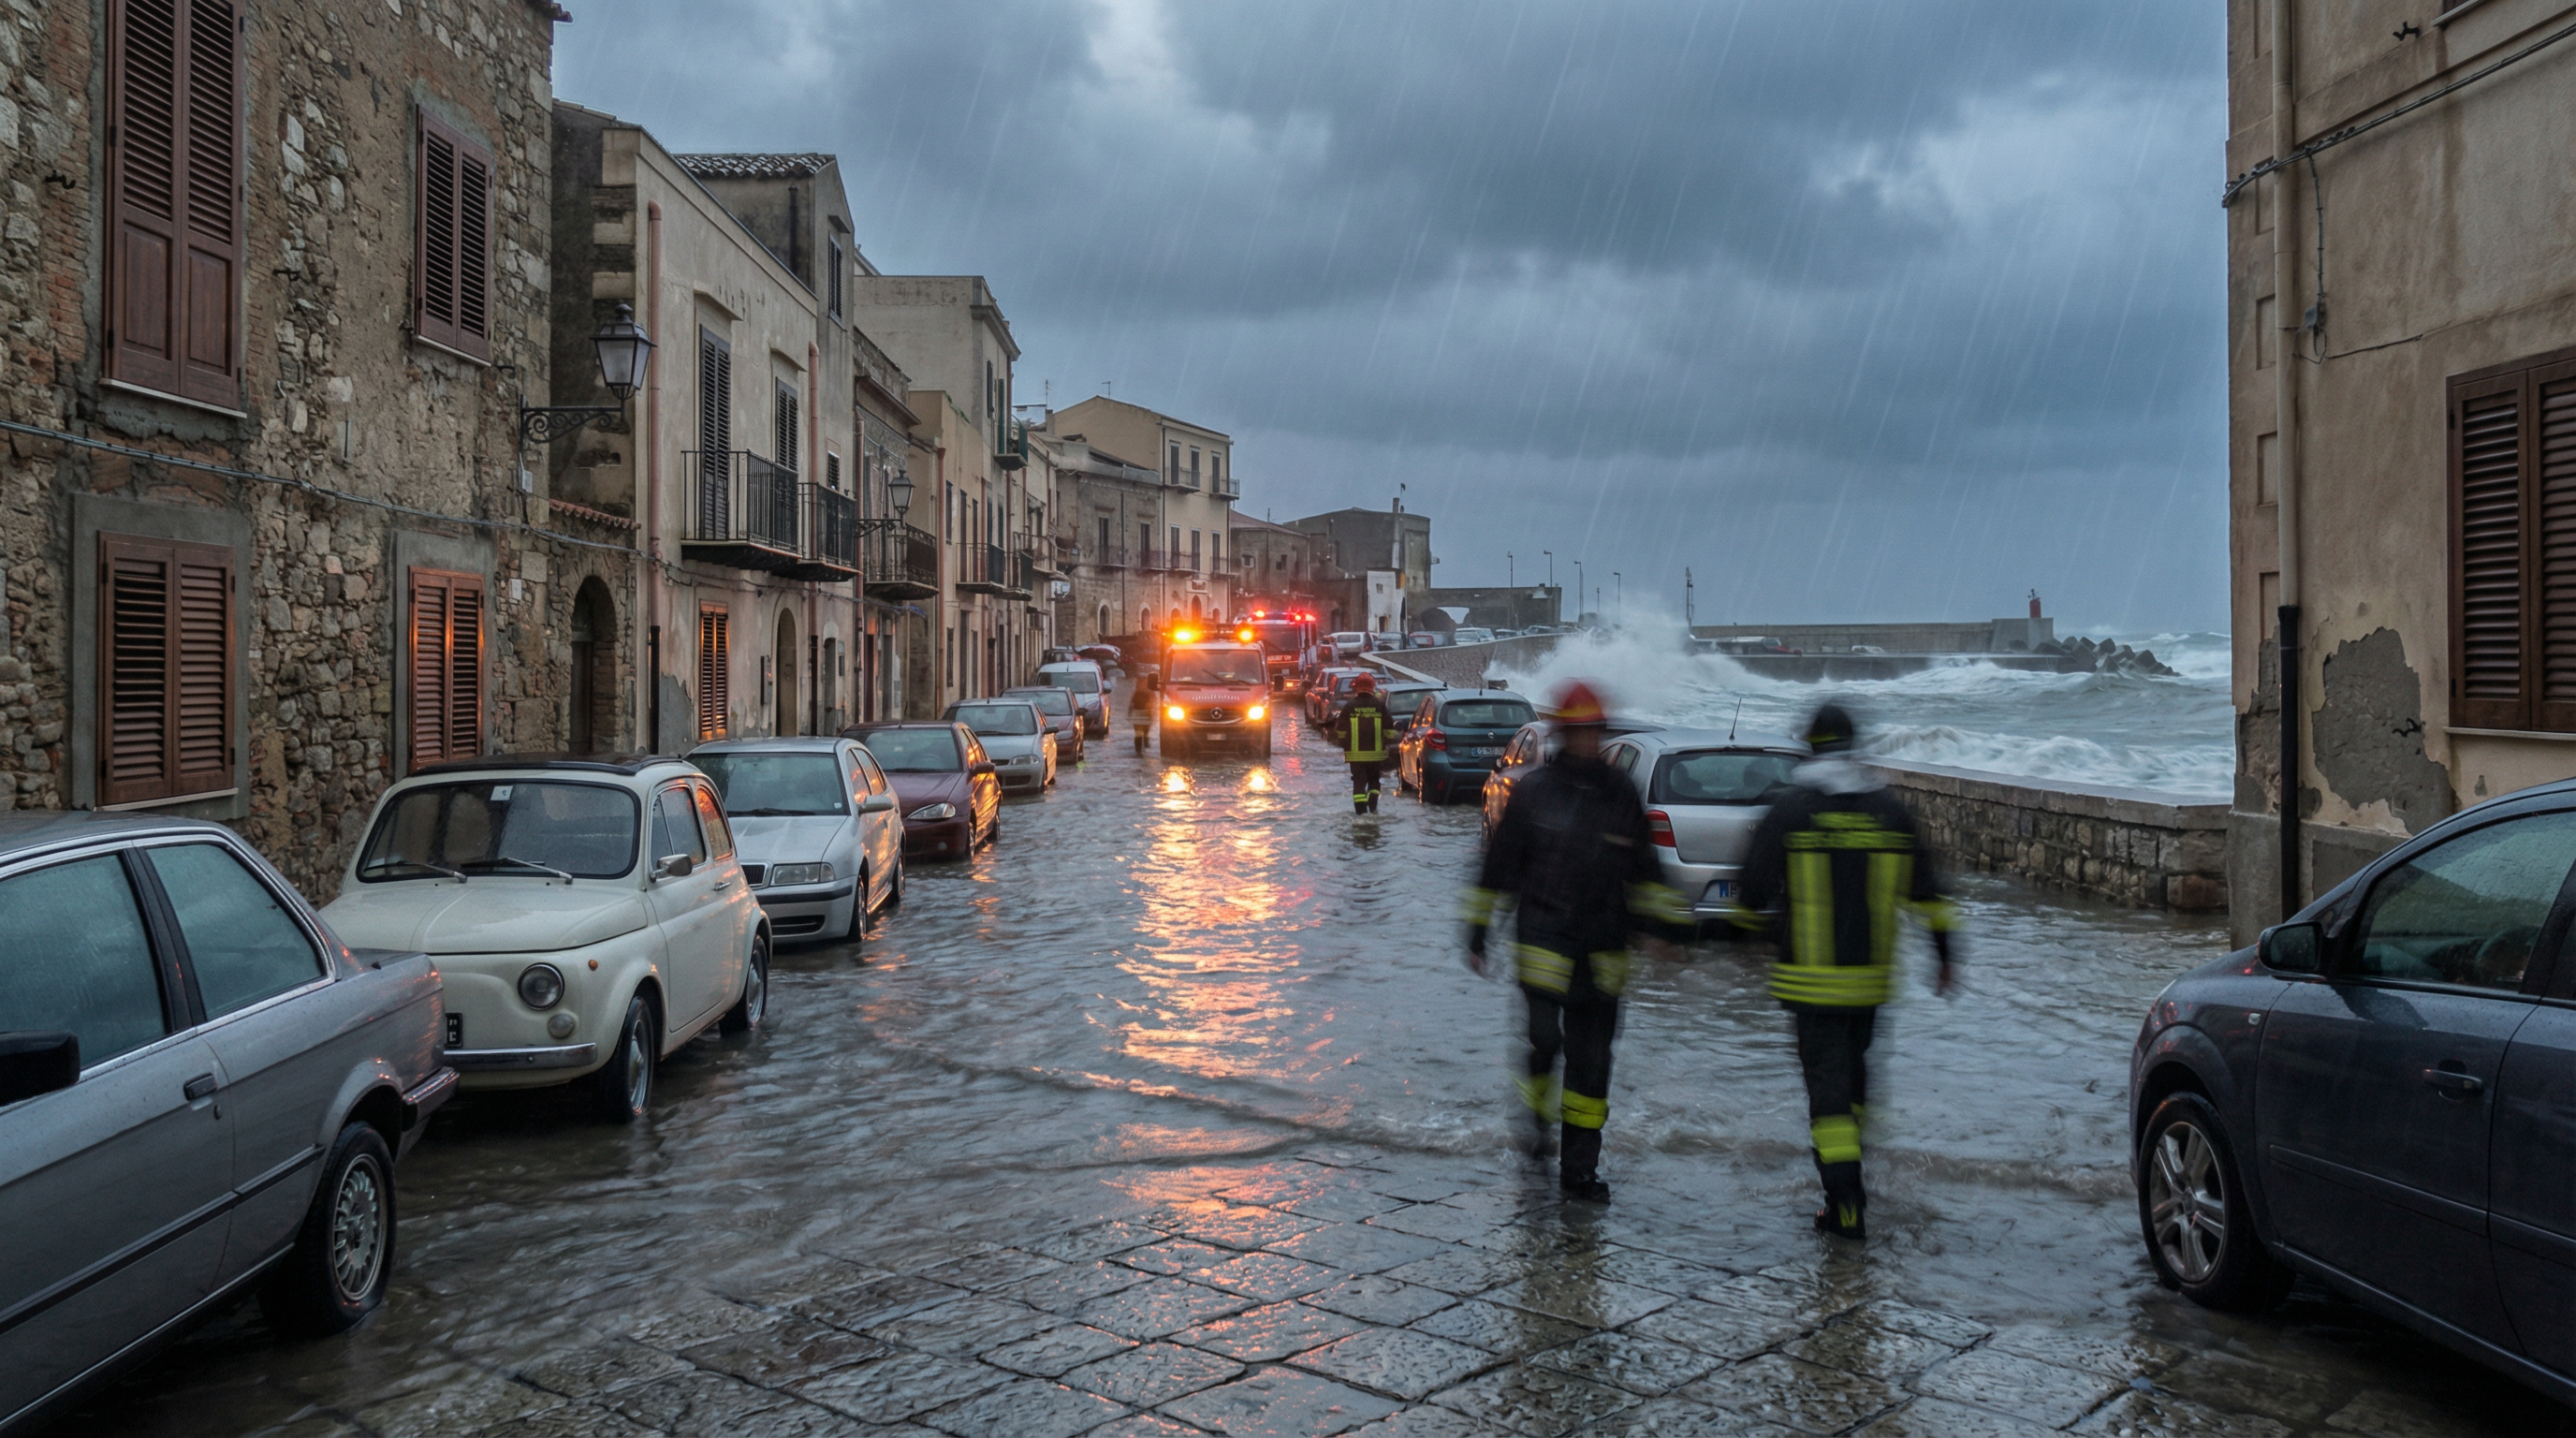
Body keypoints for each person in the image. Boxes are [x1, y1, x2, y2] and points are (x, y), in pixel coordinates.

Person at [1733, 702, 1958, 1241]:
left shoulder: (1789, 810)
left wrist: (1756, 938)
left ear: (1811, 746)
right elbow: (1930, 897)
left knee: (1828, 1102)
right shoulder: (1890, 811)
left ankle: (1846, 1206)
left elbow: (1750, 893)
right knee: (1855, 1088)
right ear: (1854, 745)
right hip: (1870, 988)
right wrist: (1945, 957)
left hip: (1810, 989)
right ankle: (1850, 1176)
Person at [1460, 680, 1687, 1202]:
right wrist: (1479, 932)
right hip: (1544, 945)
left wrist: (1669, 932)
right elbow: (1496, 868)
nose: (1587, 742)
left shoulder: (1621, 794)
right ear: (1563, 735)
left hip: (1603, 954)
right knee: (1546, 1043)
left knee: (1592, 1065)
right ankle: (1537, 1129)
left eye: (1594, 733)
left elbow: (1647, 874)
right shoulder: (1534, 793)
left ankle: (1580, 1170)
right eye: (1578, 733)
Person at [1342, 674, 1392, 814]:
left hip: (1355, 756)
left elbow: (1340, 730)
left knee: (1358, 783)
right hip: (1376, 755)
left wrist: (1346, 745)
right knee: (1374, 781)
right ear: (1373, 686)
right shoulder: (1380, 705)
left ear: (1356, 687)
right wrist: (1386, 742)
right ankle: (1373, 806)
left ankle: (1361, 813)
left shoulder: (1350, 705)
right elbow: (1389, 729)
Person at [1128, 665, 1160, 754]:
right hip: (1140, 714)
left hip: (1144, 714)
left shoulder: (1149, 692)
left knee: (1142, 731)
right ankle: (1139, 747)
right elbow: (1132, 704)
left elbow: (1154, 703)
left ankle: (1141, 745)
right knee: (1139, 732)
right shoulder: (1139, 693)